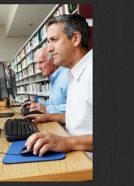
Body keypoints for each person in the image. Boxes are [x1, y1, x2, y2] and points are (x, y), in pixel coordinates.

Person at [24, 14, 93, 159]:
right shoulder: (73, 72)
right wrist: (49, 116)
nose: (49, 49)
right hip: (79, 156)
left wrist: (68, 142)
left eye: (54, 40)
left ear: (75, 38)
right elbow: (81, 119)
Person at [22, 47, 68, 114]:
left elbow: (74, 108)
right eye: (37, 63)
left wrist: (47, 109)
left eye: (41, 62)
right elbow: (54, 103)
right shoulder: (54, 78)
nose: (38, 67)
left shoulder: (66, 76)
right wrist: (37, 104)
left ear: (53, 61)